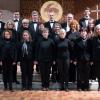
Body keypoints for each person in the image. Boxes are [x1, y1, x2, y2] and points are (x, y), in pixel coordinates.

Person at [91, 24, 100, 91]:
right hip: (96, 58)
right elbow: (92, 49)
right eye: (97, 29)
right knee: (98, 72)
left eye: (99, 29)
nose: (98, 30)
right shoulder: (93, 38)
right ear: (95, 30)